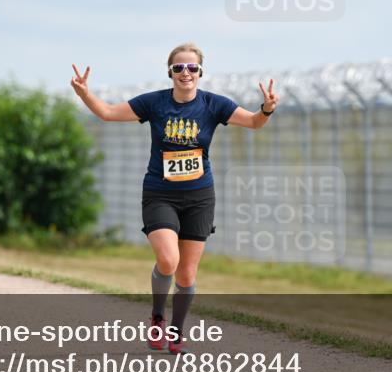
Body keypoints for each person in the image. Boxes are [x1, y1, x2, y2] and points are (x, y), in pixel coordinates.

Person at [70, 42, 279, 354]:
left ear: (200, 72)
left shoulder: (213, 105)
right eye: (179, 68)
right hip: (160, 193)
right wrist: (84, 93)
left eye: (191, 67)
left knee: (187, 273)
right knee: (168, 260)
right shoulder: (155, 103)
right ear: (169, 72)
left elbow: (252, 122)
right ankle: (157, 317)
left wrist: (266, 109)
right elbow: (109, 113)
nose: (185, 73)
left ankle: (178, 332)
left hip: (199, 196)